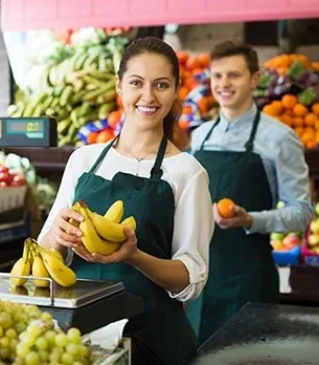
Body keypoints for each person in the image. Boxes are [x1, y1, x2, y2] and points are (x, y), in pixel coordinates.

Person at [37, 37, 215, 365]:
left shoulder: (188, 172)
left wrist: (135, 256)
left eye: (161, 85)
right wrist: (56, 236)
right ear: (119, 86)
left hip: (153, 340)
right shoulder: (84, 159)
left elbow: (191, 277)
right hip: (81, 336)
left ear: (177, 89)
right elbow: (48, 251)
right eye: (136, 83)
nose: (148, 97)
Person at [186, 40, 314, 344]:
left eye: (234, 75)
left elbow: (302, 212)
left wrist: (251, 220)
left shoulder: (280, 138)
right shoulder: (200, 136)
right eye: (217, 76)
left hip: (248, 280)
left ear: (255, 79)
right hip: (199, 281)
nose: (223, 84)